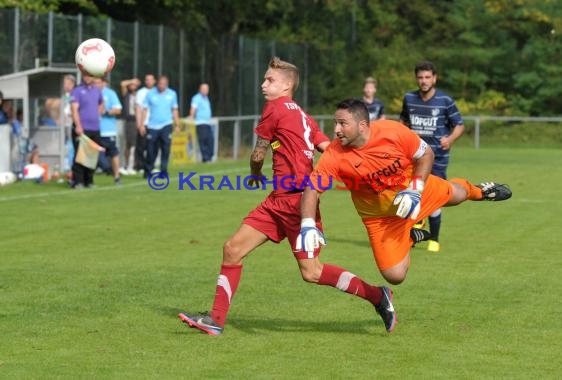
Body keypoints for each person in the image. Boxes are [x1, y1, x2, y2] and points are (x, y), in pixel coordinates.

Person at [178, 58, 407, 336]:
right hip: (278, 200)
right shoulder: (302, 114)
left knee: (312, 272)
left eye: (269, 80)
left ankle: (377, 295)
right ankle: (215, 319)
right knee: (233, 249)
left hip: (298, 203)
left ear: (287, 85)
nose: (264, 84)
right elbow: (328, 147)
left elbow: (258, 153)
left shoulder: (273, 108)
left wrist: (254, 173)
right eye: (264, 79)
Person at [298, 99, 511, 329]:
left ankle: (480, 191)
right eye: (335, 123)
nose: (336, 130)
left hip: (412, 194)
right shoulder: (335, 154)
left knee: (457, 195)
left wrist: (415, 189)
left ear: (362, 125)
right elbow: (312, 188)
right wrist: (307, 223)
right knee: (395, 275)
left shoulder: (392, 131)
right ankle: (409, 236)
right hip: (380, 219)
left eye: (342, 123)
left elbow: (426, 155)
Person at [400, 61, 465, 252]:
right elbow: (403, 122)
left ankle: (434, 239)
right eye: (420, 77)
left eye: (427, 77)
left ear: (434, 78)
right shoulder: (409, 98)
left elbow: (459, 125)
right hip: (414, 157)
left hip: (438, 158)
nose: (424, 81)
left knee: (435, 195)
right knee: (413, 192)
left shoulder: (445, 100)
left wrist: (451, 139)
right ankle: (415, 230)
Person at [141, 75, 180, 177]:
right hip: (152, 126)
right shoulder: (150, 94)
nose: (162, 86)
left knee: (166, 149)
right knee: (150, 150)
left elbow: (174, 109)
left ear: (167, 84)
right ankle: (148, 170)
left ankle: (163, 171)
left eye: (164, 84)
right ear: (157, 83)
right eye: (160, 84)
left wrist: (177, 124)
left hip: (166, 125)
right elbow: (144, 110)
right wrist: (142, 124)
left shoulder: (172, 94)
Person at [70, 73, 104, 189]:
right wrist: (78, 126)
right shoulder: (77, 91)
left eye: (90, 76)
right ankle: (78, 181)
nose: (87, 78)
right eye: (85, 76)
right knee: (80, 155)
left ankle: (89, 181)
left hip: (94, 128)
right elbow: (74, 110)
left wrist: (97, 114)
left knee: (92, 156)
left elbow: (101, 103)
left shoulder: (97, 90)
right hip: (82, 129)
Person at [95, 77, 123, 185]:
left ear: (103, 83)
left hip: (108, 131)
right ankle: (87, 179)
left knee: (113, 153)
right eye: (95, 83)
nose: (96, 85)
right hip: (93, 129)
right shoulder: (91, 93)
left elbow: (118, 109)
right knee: (92, 155)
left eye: (98, 82)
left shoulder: (110, 94)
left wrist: (105, 112)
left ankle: (116, 177)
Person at [135, 74, 156, 175]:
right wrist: (140, 124)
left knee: (152, 147)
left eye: (150, 80)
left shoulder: (158, 92)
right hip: (144, 123)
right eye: (146, 80)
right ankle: (142, 166)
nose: (148, 81)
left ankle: (150, 166)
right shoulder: (141, 92)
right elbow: (139, 108)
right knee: (141, 147)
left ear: (154, 81)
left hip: (155, 124)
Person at [120, 78, 140, 175]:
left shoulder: (139, 95)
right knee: (129, 144)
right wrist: (132, 80)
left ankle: (134, 165)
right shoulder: (126, 95)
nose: (133, 86)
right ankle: (127, 164)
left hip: (138, 120)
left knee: (136, 144)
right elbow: (122, 83)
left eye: (134, 85)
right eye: (131, 85)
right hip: (129, 120)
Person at [189, 83, 214, 163]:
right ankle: (205, 158)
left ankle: (209, 157)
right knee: (203, 141)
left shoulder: (206, 98)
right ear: (200, 89)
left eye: (207, 89)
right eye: (204, 89)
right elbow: (193, 108)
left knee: (210, 140)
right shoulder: (196, 98)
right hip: (200, 123)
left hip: (207, 123)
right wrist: (191, 116)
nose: (206, 91)